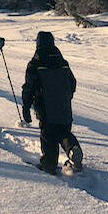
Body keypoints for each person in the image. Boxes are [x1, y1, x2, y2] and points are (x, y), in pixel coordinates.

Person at [21, 30, 83, 175]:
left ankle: (49, 164)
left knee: (48, 135)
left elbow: (29, 88)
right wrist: (67, 97)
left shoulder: (35, 64)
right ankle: (73, 150)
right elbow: (72, 82)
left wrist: (26, 106)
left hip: (45, 107)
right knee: (63, 132)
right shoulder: (63, 63)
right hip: (63, 106)